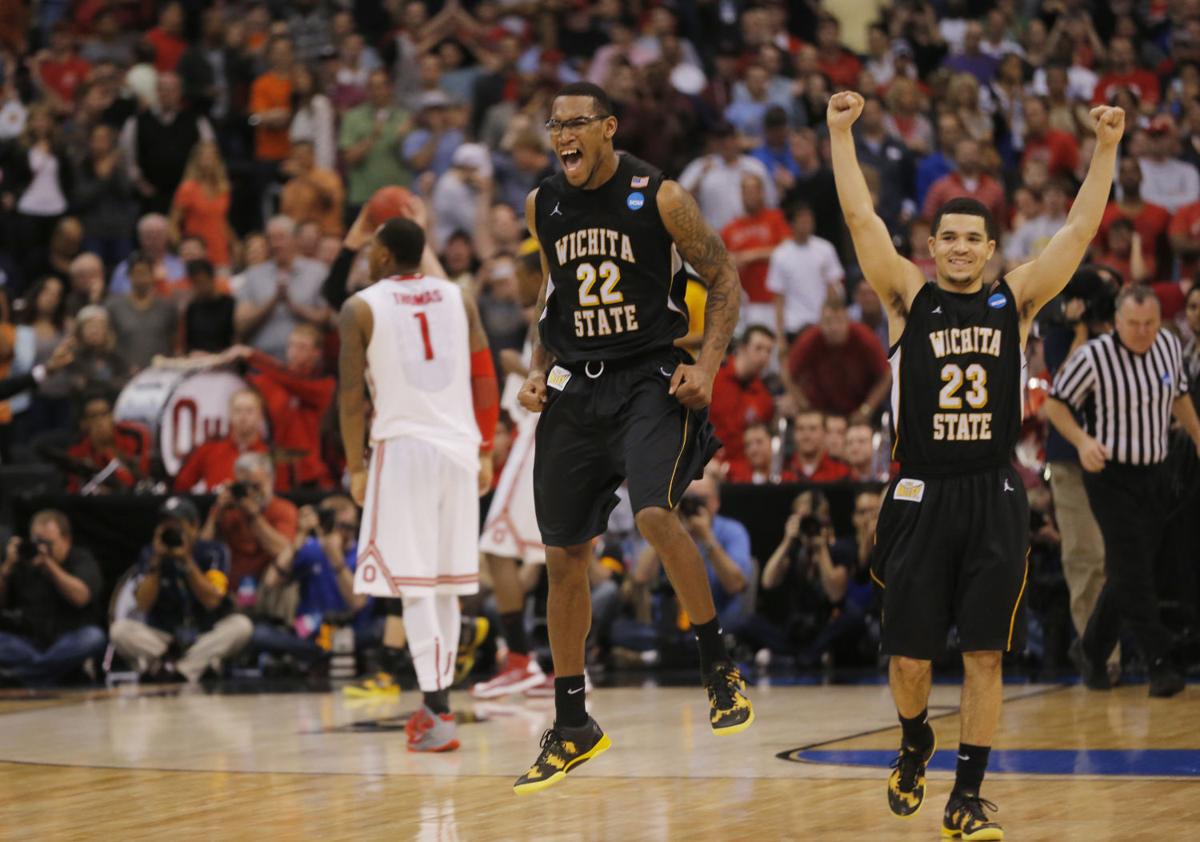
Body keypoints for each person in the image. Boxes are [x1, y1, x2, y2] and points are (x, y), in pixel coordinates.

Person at [831, 89, 1125, 838]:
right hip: (920, 493)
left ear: (992, 249)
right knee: (909, 661)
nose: (961, 248)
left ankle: (965, 795)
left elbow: (1079, 230)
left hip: (993, 492)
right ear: (933, 246)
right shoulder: (907, 296)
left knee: (987, 654)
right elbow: (862, 218)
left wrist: (1106, 147)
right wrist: (840, 134)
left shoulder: (1016, 300)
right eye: (949, 238)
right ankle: (913, 740)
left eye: (973, 239)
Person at [512, 82, 749, 795]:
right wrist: (534, 369)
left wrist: (706, 364)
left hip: (650, 375)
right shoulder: (542, 202)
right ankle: (573, 722)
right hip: (574, 387)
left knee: (652, 512)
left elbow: (725, 276)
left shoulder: (662, 195)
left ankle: (718, 663)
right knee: (563, 557)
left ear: (608, 128)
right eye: (555, 125)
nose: (563, 136)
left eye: (577, 123)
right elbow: (550, 297)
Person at [337, 216, 498, 752]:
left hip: (402, 451)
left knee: (414, 589)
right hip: (457, 449)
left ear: (382, 255)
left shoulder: (360, 307)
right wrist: (485, 447)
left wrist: (357, 468)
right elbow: (483, 374)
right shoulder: (460, 298)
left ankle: (437, 710)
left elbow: (350, 397)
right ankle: (438, 704)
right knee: (447, 588)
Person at [1045, 285, 1200, 698]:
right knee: (1133, 566)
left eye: (1150, 323)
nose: (1143, 332)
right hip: (1109, 474)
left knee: (1131, 570)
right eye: (1134, 324)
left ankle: (1091, 649)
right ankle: (1159, 660)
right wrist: (1081, 441)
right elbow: (1055, 406)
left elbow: (1180, 397)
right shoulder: (1092, 357)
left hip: (1156, 472)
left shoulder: (1168, 345)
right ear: (1117, 321)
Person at [473, 242, 550, 700]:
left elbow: (564, 378)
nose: (509, 289)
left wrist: (520, 369)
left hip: (543, 437)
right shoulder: (540, 320)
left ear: (534, 275)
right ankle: (567, 673)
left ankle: (521, 662)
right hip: (540, 438)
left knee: (496, 547)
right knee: (558, 559)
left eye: (514, 278)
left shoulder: (553, 315)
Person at [109, 497, 253, 683]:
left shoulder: (214, 551)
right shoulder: (150, 554)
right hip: (164, 639)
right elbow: (142, 605)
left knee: (241, 626)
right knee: (120, 630)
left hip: (204, 634)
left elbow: (212, 600)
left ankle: (176, 670)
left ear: (194, 527)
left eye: (177, 526)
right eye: (165, 526)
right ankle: (195, 666)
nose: (172, 532)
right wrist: (156, 564)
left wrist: (187, 562)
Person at [0, 509, 106, 686]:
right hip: (28, 643)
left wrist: (49, 564)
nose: (41, 548)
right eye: (36, 542)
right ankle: (53, 671)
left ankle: (20, 677)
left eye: (48, 543)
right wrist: (6, 568)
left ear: (66, 540)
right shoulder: (21, 563)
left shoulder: (80, 559)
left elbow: (81, 597)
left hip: (68, 640)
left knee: (94, 637)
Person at [199, 451, 297, 597]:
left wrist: (253, 515)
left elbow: (283, 551)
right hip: (229, 590)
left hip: (268, 591)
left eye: (257, 486)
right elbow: (201, 551)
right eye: (246, 486)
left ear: (270, 480)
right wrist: (216, 514)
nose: (251, 493)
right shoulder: (229, 509)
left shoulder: (284, 510)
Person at [234, 215, 330, 360]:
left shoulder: (318, 272)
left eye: (281, 238)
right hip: (262, 361)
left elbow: (325, 318)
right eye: (271, 239)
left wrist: (294, 306)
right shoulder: (253, 275)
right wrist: (271, 302)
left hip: (306, 363)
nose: (275, 244)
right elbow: (241, 324)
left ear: (296, 239)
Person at [786, 298, 891, 421]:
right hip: (820, 410)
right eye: (828, 322)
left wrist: (866, 409)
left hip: (858, 408)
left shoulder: (864, 337)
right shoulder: (810, 339)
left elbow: (886, 375)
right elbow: (787, 373)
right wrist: (805, 406)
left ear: (848, 321)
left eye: (839, 321)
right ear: (820, 323)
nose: (834, 327)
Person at [174, 389, 282, 493]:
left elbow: (281, 494)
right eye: (238, 410)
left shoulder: (270, 455)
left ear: (260, 416)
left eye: (249, 411)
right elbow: (180, 486)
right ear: (230, 414)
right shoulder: (208, 451)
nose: (243, 417)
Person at [767, 202, 844, 344]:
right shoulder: (780, 255)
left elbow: (833, 290)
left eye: (809, 220)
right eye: (801, 220)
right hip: (793, 326)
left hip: (821, 325)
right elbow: (778, 299)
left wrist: (834, 321)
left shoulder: (825, 249)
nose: (806, 224)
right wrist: (780, 337)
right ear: (791, 224)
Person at [721, 173, 790, 329]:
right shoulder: (730, 228)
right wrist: (732, 261)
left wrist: (751, 256)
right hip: (743, 304)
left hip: (773, 300)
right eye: (746, 192)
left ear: (762, 193)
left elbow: (788, 250)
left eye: (754, 191)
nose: (750, 196)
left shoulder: (775, 218)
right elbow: (721, 261)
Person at [709, 324, 776, 464]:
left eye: (769, 351)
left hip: (743, 473)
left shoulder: (765, 399)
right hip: (707, 467)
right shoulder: (713, 380)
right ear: (742, 348)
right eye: (759, 348)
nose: (764, 356)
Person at [104, 251, 178, 369]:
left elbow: (175, 341)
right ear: (129, 275)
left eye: (144, 273)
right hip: (126, 375)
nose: (141, 278)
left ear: (152, 274)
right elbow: (108, 343)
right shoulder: (114, 306)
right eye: (136, 273)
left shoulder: (167, 307)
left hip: (161, 373)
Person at [65, 390, 149, 493]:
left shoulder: (134, 436)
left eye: (104, 414)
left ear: (112, 417)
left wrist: (109, 452)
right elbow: (73, 491)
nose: (100, 422)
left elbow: (140, 480)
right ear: (84, 424)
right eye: (93, 416)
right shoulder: (76, 448)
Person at [726, 421, 795, 484]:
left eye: (759, 442)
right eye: (748, 445)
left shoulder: (788, 480)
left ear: (772, 443)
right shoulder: (738, 481)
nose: (753, 450)